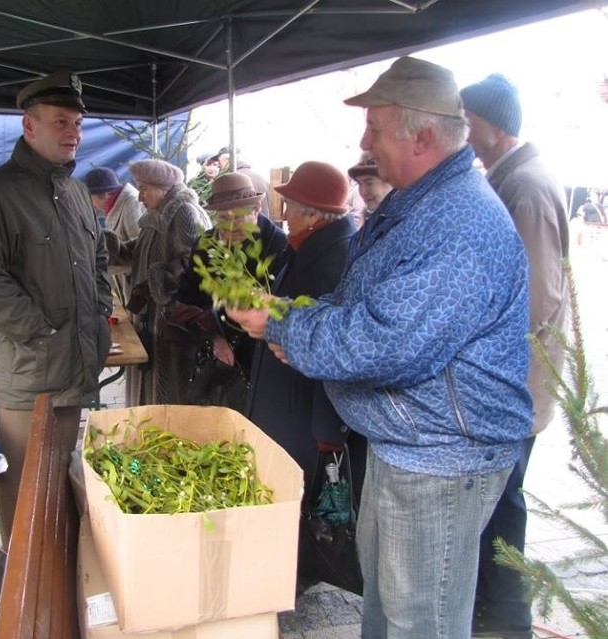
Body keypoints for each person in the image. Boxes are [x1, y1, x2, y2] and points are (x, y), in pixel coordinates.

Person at [226, 56, 533, 638]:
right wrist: (289, 315)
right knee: (387, 611)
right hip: (407, 447)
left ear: (420, 135)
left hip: (441, 460)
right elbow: (360, 302)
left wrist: (281, 327)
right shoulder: (416, 205)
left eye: (374, 126)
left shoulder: (459, 222)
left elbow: (389, 341)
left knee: (421, 622)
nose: (363, 141)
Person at [0, 71, 113, 547]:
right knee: (25, 493)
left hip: (74, 368)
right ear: (30, 126)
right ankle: (22, 607)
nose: (74, 133)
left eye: (78, 124)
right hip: (28, 374)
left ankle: (59, 589)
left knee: (61, 483)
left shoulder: (77, 192)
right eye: (61, 121)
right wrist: (41, 332)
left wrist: (100, 313)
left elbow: (99, 258)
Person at [461, 72, 570, 639]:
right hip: (505, 381)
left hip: (514, 385)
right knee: (496, 503)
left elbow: (534, 298)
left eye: (470, 123)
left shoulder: (524, 187)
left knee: (502, 505)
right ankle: (494, 611)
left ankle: (506, 621)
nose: (465, 133)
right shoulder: (509, 179)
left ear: (494, 127)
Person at [244, 161, 360, 497]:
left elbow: (336, 345)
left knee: (293, 499)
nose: (285, 214)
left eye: (291, 206)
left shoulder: (334, 260)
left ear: (313, 215)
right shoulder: (305, 247)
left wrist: (328, 435)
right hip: (284, 405)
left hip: (301, 420)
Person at [173, 171, 287, 411]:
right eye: (223, 217)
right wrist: (215, 334)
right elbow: (186, 298)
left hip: (268, 360)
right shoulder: (206, 245)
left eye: (239, 217)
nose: (230, 225)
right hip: (220, 366)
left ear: (257, 208)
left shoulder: (279, 246)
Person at [104, 158, 211, 407]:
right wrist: (110, 248)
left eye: (144, 189)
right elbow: (140, 252)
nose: (140, 197)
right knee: (150, 390)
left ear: (162, 188)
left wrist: (159, 279)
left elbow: (197, 261)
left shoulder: (184, 212)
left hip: (172, 324)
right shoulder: (158, 215)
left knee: (169, 394)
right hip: (153, 320)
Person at [84, 166, 143, 307]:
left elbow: (140, 250)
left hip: (136, 287)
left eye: (91, 199)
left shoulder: (131, 204)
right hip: (124, 284)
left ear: (103, 195)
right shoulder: (116, 204)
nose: (93, 205)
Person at [216, 146, 271, 218]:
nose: (219, 166)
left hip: (244, 225)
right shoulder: (261, 178)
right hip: (261, 224)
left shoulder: (232, 181)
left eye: (220, 163)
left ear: (228, 160)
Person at [347, 151, 392, 229]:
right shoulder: (368, 220)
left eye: (369, 183)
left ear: (390, 182)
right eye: (359, 184)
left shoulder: (403, 222)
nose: (363, 192)